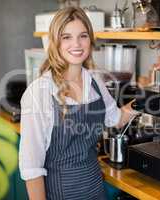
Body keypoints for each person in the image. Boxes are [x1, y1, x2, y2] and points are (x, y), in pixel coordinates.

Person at [19, 7, 139, 200]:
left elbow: (116, 119)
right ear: (55, 42)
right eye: (66, 37)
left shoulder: (95, 82)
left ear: (90, 40)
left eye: (82, 36)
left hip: (95, 192)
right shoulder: (40, 92)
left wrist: (146, 99)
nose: (76, 44)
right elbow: (32, 169)